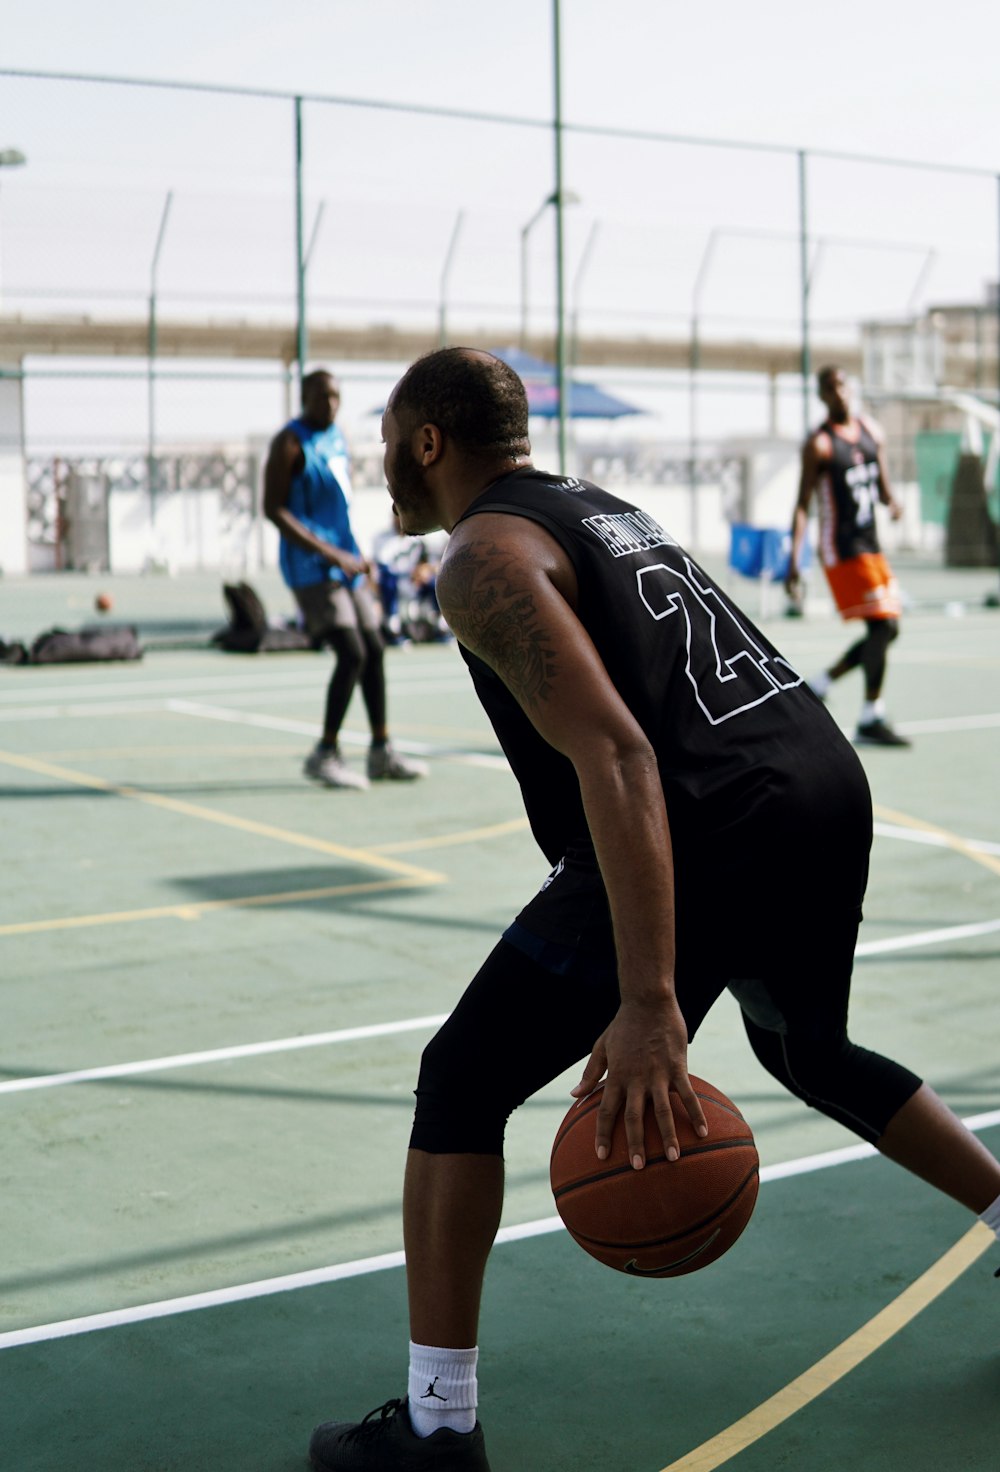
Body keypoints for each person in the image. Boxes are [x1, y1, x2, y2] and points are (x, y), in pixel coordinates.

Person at [307, 349, 1000, 1472]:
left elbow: (620, 754)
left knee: (461, 1079)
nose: (382, 458)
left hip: (709, 819)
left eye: (389, 436)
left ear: (427, 440)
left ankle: (437, 1430)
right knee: (806, 1047)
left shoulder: (483, 555)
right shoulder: (602, 508)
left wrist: (647, 997)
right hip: (816, 783)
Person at [264, 369, 428, 789]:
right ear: (304, 397)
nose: (330, 403)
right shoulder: (289, 442)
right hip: (311, 567)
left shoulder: (338, 439)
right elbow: (273, 508)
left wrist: (354, 553)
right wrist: (330, 552)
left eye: (336, 396)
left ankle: (381, 750)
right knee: (351, 652)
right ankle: (325, 753)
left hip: (347, 561)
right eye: (322, 396)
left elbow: (338, 509)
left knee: (373, 648)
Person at [785, 364, 910, 747]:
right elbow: (803, 504)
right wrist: (794, 558)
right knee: (883, 626)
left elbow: (883, 484)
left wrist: (893, 502)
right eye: (830, 388)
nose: (838, 392)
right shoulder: (819, 444)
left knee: (888, 629)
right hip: (840, 547)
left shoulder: (871, 431)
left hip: (871, 543)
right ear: (822, 396)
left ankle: (820, 684)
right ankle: (871, 716)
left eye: (842, 384)